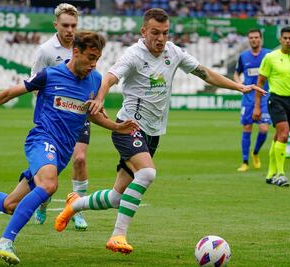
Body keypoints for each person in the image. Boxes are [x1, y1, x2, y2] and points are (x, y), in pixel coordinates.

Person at [55, 8, 266, 254]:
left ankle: (75, 204)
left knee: (116, 197)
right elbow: (110, 77)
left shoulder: (173, 52)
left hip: (153, 134)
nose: (160, 38)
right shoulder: (133, 54)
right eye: (155, 33)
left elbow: (205, 73)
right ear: (143, 31)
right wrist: (100, 99)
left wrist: (239, 87)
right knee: (147, 174)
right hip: (128, 127)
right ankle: (117, 235)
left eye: (165, 33)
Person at [0, 30, 138, 265]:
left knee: (10, 204)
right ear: (75, 52)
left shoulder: (95, 80)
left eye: (97, 59)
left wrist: (117, 128)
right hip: (42, 140)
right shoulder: (49, 75)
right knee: (49, 184)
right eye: (90, 57)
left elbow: (92, 115)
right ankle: (4, 242)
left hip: (62, 154)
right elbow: (8, 93)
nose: (93, 64)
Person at [29, 3, 91, 229]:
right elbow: (34, 83)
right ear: (56, 25)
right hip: (53, 119)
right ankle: (44, 201)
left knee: (81, 158)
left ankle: (77, 208)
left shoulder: (82, 47)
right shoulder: (46, 51)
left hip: (79, 113)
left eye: (74, 25)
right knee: (52, 167)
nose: (70, 30)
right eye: (65, 25)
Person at [252, 26, 290, 187]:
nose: (288, 41)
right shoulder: (270, 57)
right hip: (276, 100)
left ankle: (270, 174)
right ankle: (281, 174)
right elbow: (260, 83)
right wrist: (257, 107)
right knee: (284, 133)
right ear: (280, 39)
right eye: (285, 38)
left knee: (278, 136)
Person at [233, 29, 272, 172]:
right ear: (248, 40)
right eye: (251, 38)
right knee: (247, 127)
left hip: (264, 96)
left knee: (264, 128)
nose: (254, 40)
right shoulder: (243, 56)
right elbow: (237, 73)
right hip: (248, 98)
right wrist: (239, 84)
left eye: (256, 37)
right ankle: (245, 162)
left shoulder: (268, 55)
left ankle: (255, 152)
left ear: (260, 39)